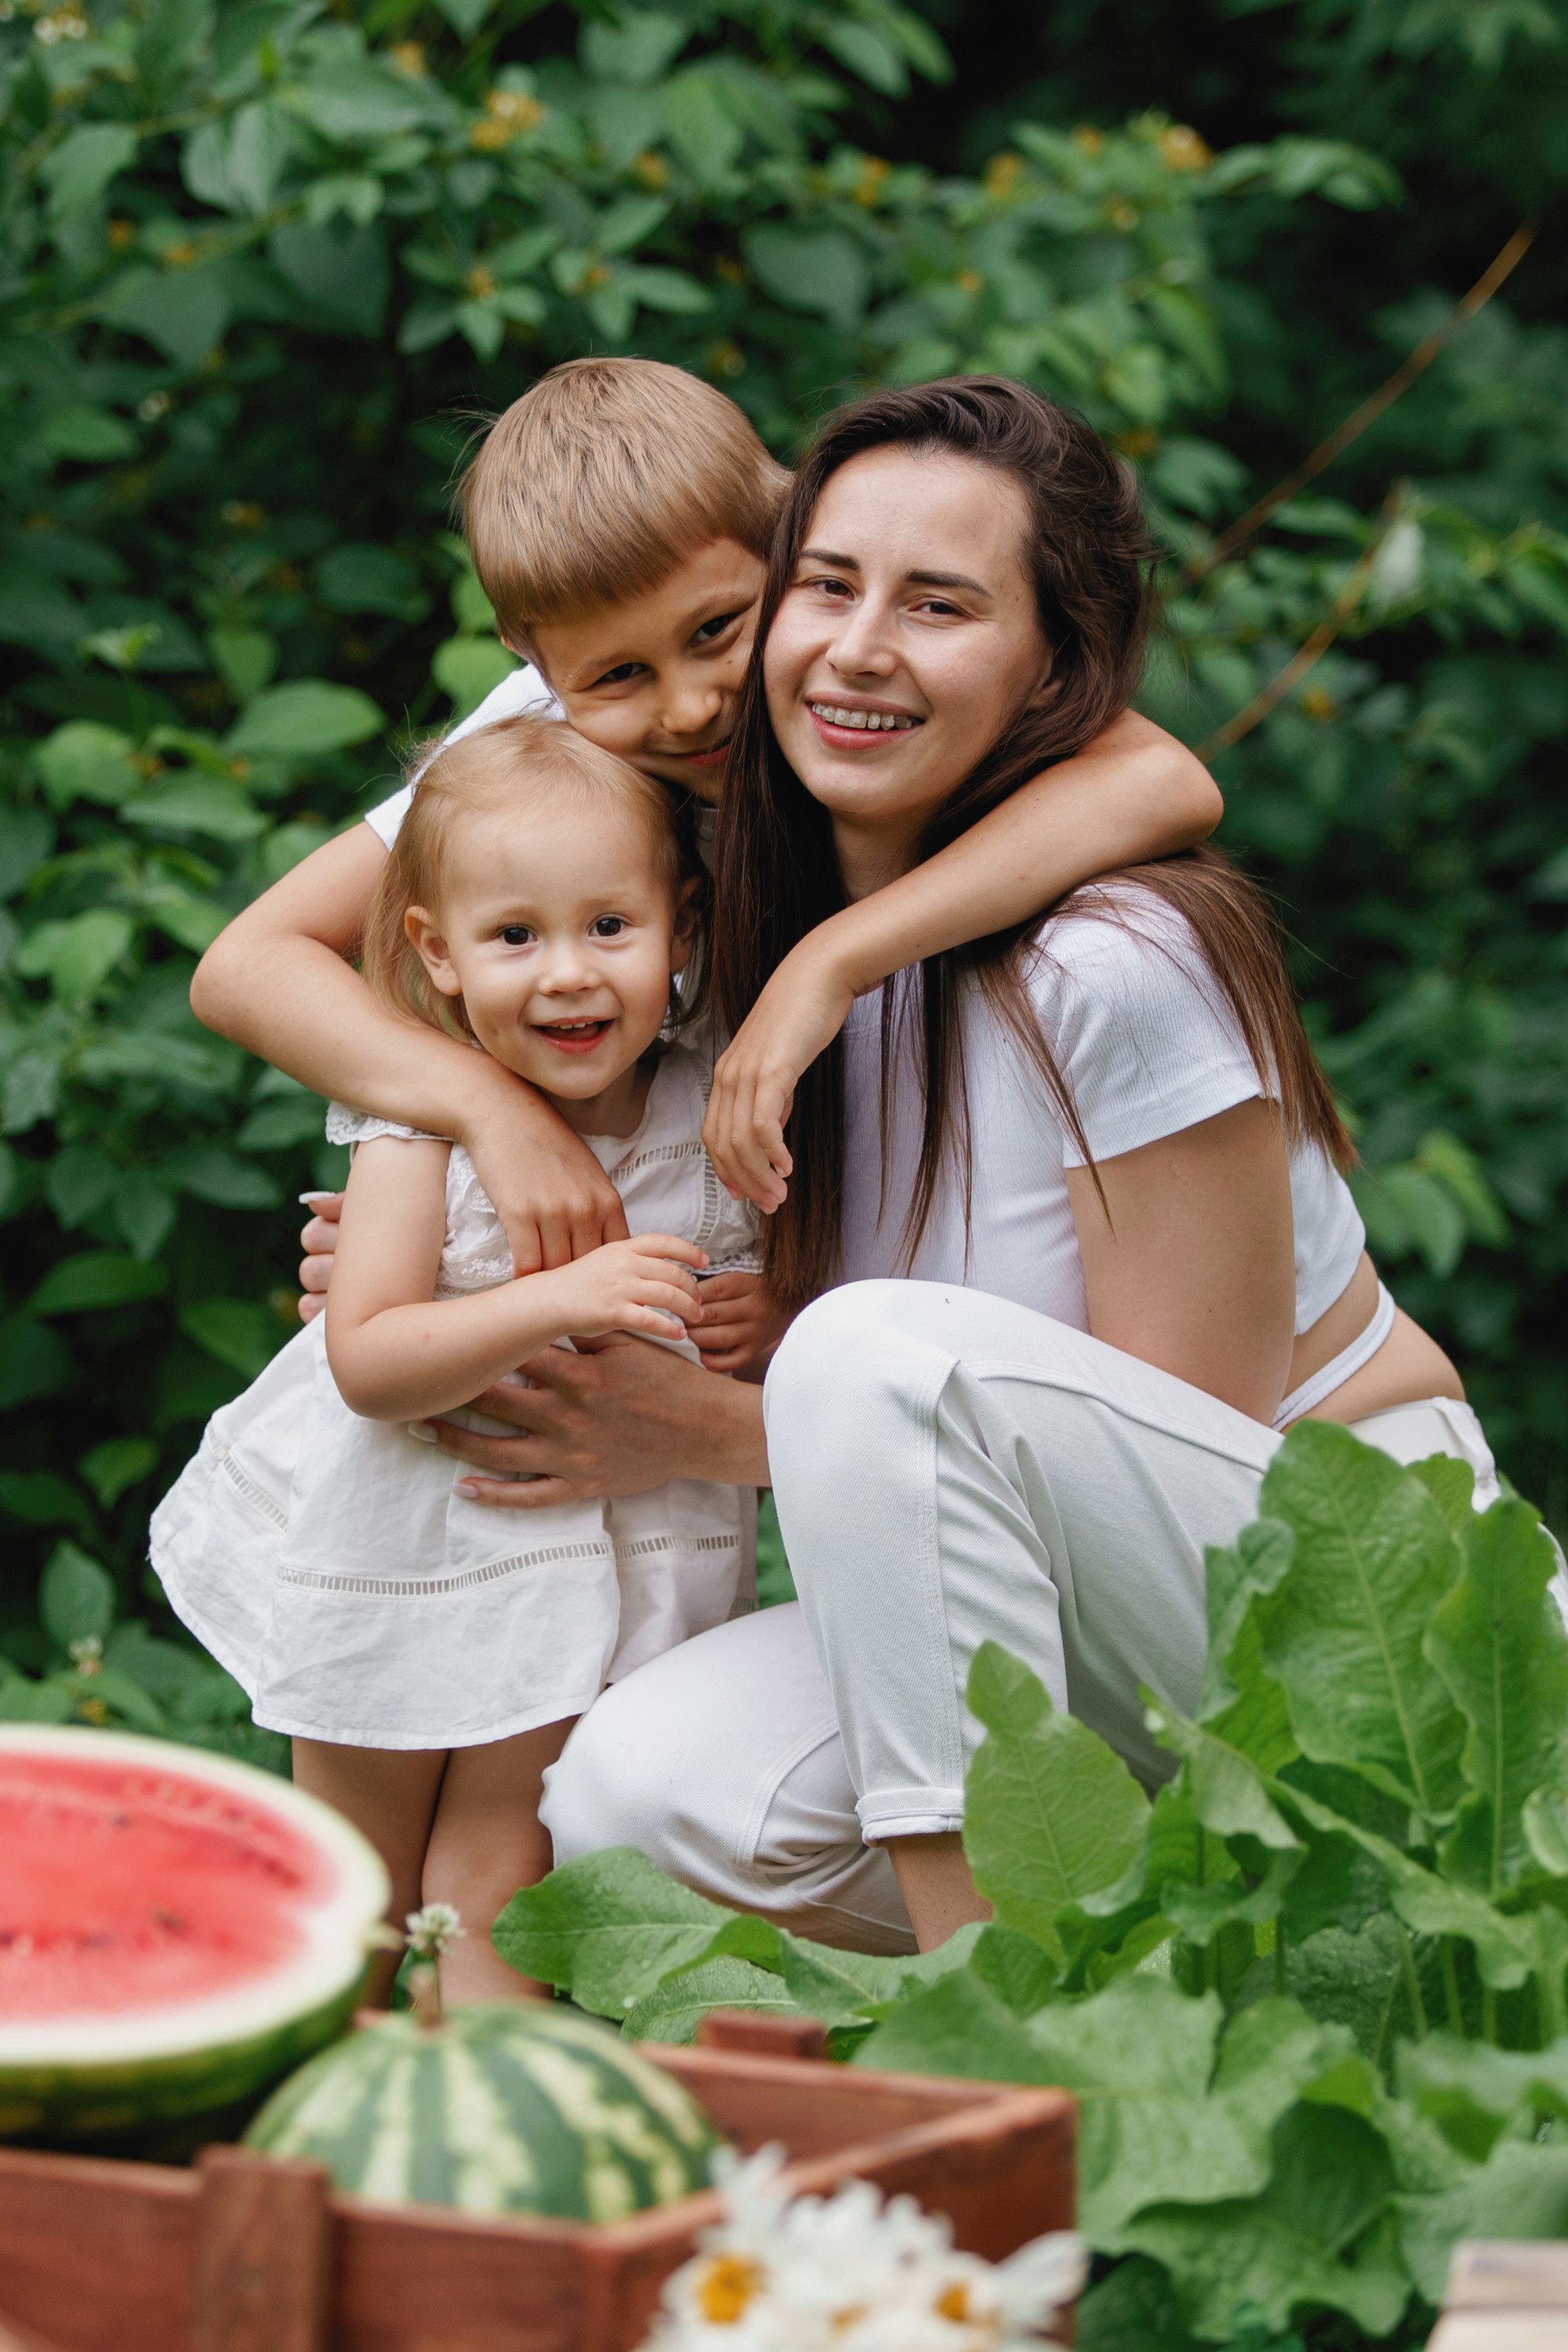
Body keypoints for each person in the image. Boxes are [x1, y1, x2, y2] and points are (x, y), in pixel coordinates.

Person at [452, 376, 1500, 1961]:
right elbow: (413, 869)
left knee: (876, 1362)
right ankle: (1163, 1945)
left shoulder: (1115, 957)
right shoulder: (732, 909)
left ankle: (1014, 2045)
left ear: (1046, 674)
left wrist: (730, 1431)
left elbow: (1191, 1449)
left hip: (1368, 1616)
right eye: (826, 587)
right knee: (640, 1793)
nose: (861, 649)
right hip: (1083, 1631)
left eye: (939, 605)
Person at [191, 354, 1221, 1324]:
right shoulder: (548, 736)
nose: (687, 711)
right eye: (618, 678)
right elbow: (247, 966)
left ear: (783, 538)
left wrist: (830, 962)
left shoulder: (851, 674)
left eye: (717, 631)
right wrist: (490, 1122)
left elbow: (1166, 779)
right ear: (537, 662)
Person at [151, 718, 764, 2002]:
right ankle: (307, 2131)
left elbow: (745, 1295)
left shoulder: (714, 1107)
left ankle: (471, 2147)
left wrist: (759, 1321)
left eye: (611, 927)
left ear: (684, 929)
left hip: (578, 1558)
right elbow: (368, 1358)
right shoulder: (416, 1125)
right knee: (359, 1883)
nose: (568, 978)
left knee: (499, 1874)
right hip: (405, 1542)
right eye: (513, 936)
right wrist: (562, 1298)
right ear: (434, 949)